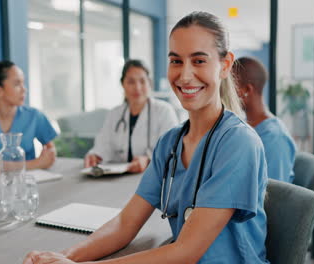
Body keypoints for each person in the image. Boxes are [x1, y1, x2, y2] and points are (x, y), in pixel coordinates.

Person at [24, 11, 269, 264]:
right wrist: (63, 257)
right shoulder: (170, 144)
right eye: (176, 61)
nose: (184, 76)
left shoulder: (239, 143)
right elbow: (125, 224)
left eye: (198, 61)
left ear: (225, 65)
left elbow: (186, 251)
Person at [84, 59, 178, 173]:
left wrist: (148, 160)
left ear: (149, 83)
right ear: (122, 84)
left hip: (152, 177)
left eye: (142, 81)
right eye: (131, 82)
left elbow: (172, 150)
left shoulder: (164, 111)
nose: (137, 87)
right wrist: (95, 155)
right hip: (117, 179)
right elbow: (103, 145)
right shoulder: (115, 114)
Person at [233, 56, 297, 183]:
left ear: (246, 90)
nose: (223, 93)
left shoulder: (274, 138)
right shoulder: (248, 126)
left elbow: (272, 195)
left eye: (228, 88)